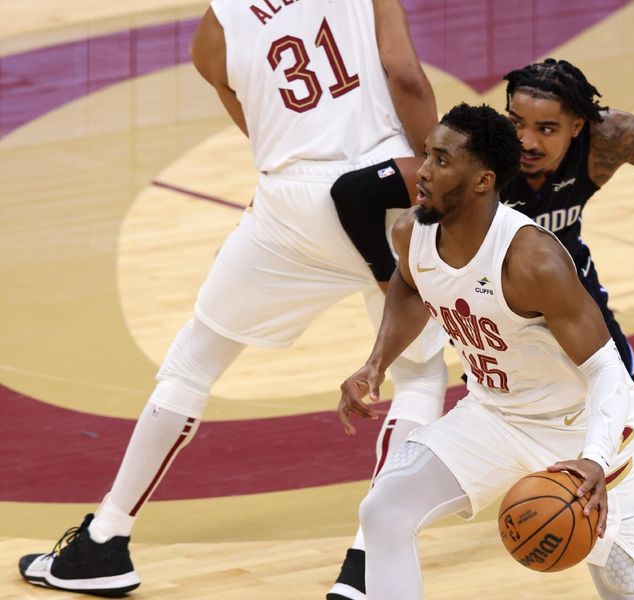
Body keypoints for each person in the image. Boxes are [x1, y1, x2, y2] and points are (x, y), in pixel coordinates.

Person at [18, 0, 452, 596]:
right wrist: (438, 176)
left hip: (292, 203)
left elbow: (258, 123)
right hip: (388, 184)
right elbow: (405, 77)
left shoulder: (210, 35)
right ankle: (371, 565)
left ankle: (105, 541)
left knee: (195, 360)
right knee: (421, 376)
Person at [328, 58, 634, 596]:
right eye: (517, 124)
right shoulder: (416, 231)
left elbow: (610, 377)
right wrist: (375, 363)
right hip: (497, 413)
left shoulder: (538, 250)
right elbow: (411, 287)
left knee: (632, 593)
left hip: (577, 422)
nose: (424, 170)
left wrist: (596, 459)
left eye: (438, 158)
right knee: (385, 509)